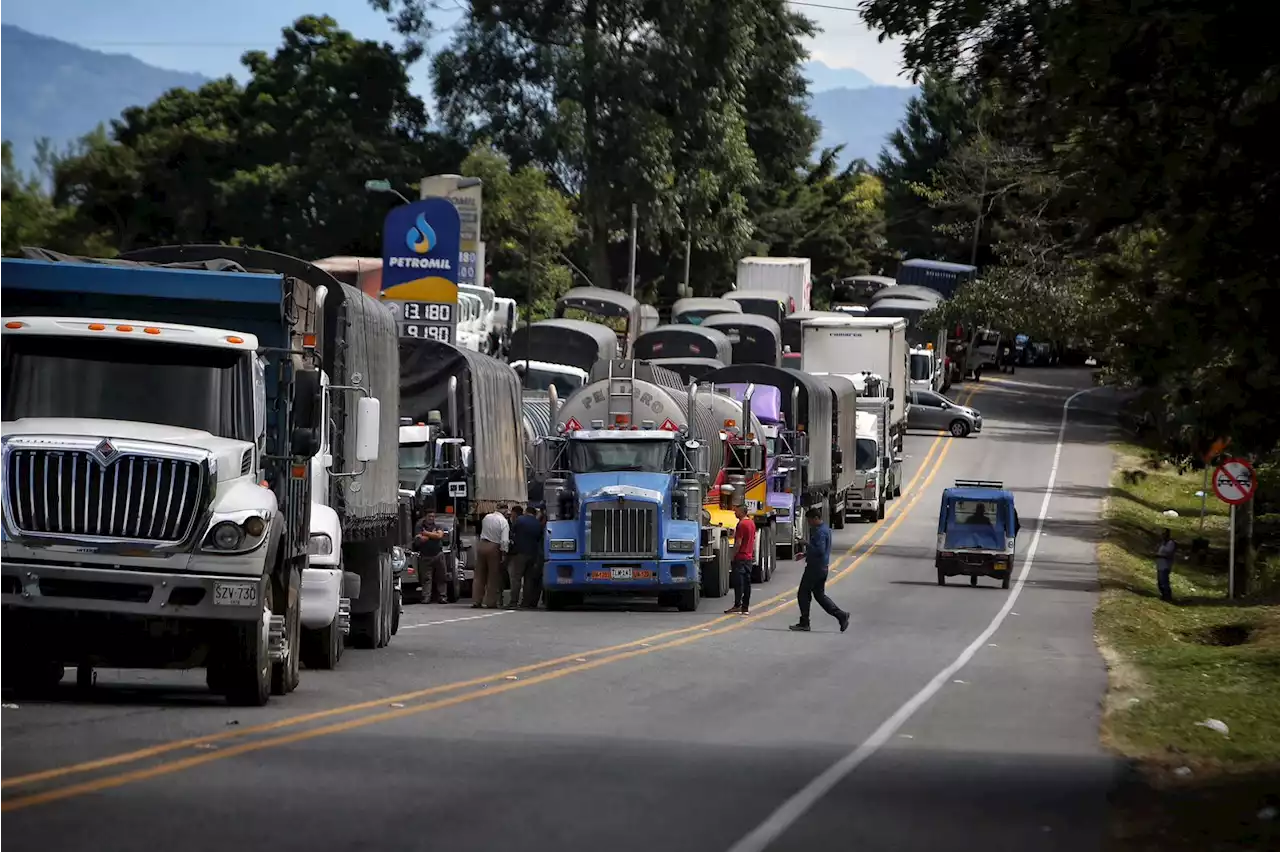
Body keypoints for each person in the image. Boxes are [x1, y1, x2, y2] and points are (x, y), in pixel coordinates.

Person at [790, 507, 850, 633]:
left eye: (810, 520)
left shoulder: (820, 532)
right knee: (819, 595)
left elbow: (819, 550)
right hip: (822, 567)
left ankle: (804, 622)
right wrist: (805, 554)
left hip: (815, 568)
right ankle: (841, 615)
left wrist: (806, 544)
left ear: (816, 518)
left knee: (803, 593)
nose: (809, 523)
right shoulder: (825, 529)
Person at [508, 506, 544, 609]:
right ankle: (526, 603)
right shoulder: (538, 524)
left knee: (516, 578)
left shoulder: (520, 520)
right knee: (528, 579)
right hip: (533, 554)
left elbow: (512, 533)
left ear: (526, 512)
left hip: (519, 553)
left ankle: (513, 602)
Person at [474, 503, 510, 608]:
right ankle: (491, 602)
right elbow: (504, 540)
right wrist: (504, 553)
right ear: (505, 510)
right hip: (494, 547)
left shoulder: (486, 517)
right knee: (493, 576)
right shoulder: (503, 522)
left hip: (482, 545)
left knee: (479, 575)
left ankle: (477, 600)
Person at [724, 505, 757, 615]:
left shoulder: (741, 524)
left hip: (741, 557)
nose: (734, 513)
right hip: (748, 558)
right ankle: (745, 606)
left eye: (736, 511)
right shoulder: (751, 523)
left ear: (742, 512)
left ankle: (738, 605)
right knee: (747, 583)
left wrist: (732, 555)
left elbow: (738, 542)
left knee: (738, 583)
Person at [410, 513, 448, 603]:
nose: (431, 518)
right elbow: (420, 539)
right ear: (425, 517)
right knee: (426, 578)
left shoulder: (439, 526)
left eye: (433, 516)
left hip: (438, 555)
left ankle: (443, 597)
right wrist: (433, 535)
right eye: (429, 516)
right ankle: (426, 597)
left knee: (441, 577)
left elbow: (439, 536)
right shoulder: (419, 527)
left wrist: (426, 533)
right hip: (425, 556)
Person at [1155, 528, 1176, 602]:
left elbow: (1168, 552)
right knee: (1160, 582)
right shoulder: (1162, 543)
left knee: (1164, 582)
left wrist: (1160, 554)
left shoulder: (1170, 543)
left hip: (1165, 565)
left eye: (1164, 534)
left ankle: (1167, 597)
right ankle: (1163, 595)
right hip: (1160, 564)